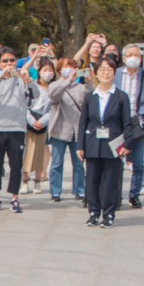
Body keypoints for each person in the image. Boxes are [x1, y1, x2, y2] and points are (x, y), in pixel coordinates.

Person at [77, 55, 137, 228]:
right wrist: (80, 145)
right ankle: (94, 212)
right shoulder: (90, 97)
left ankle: (109, 213)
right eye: (102, 69)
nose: (106, 73)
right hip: (93, 144)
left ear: (114, 73)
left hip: (114, 145)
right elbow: (83, 123)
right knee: (92, 180)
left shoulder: (121, 97)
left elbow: (128, 124)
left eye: (109, 69)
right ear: (96, 73)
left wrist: (127, 145)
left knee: (111, 181)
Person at [0, 47, 38, 213]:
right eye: (5, 61)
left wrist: (28, 80)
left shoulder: (21, 79)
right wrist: (0, 76)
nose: (9, 64)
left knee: (16, 165)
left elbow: (35, 94)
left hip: (17, 128)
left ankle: (14, 197)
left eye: (12, 60)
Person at [114, 44, 144, 209]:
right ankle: (116, 194)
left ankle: (134, 195)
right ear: (124, 57)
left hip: (138, 122)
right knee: (117, 162)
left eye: (137, 55)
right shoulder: (117, 74)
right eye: (130, 54)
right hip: (119, 124)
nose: (134, 58)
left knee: (138, 163)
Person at [48, 56, 88, 203]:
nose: (68, 69)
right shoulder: (55, 85)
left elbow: (90, 100)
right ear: (59, 70)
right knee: (57, 163)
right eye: (65, 66)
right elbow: (53, 97)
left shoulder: (80, 88)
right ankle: (55, 191)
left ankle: (79, 190)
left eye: (71, 66)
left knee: (78, 164)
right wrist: (68, 81)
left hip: (77, 130)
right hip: (60, 129)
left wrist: (90, 82)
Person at [22, 57, 54, 194]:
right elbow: (25, 104)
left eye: (50, 70)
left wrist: (44, 121)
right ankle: (25, 180)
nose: (48, 73)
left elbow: (53, 109)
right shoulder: (32, 85)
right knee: (27, 152)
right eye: (45, 70)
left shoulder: (54, 88)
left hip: (44, 122)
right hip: (30, 120)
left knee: (40, 153)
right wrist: (31, 120)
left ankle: (38, 181)